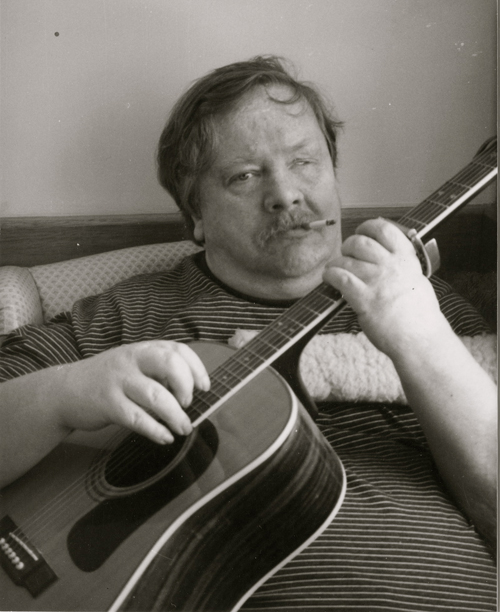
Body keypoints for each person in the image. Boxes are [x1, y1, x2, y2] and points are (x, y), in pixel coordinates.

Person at [0, 56, 496, 610]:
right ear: (196, 216)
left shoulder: (431, 306)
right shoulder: (130, 313)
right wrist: (67, 394)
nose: (285, 194)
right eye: (244, 175)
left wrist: (421, 337)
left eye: (305, 161)